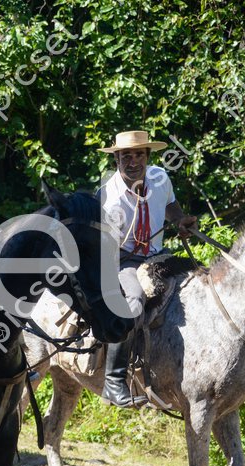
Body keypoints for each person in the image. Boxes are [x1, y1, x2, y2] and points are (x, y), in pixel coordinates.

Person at [98, 130, 197, 408]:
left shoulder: (160, 178)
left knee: (201, 281)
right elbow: (101, 246)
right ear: (116, 159)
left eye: (139, 155)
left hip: (158, 256)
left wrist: (180, 221)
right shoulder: (108, 196)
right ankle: (114, 381)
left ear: (147, 156)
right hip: (122, 259)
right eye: (126, 156)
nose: (133, 162)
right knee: (133, 302)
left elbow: (170, 205)